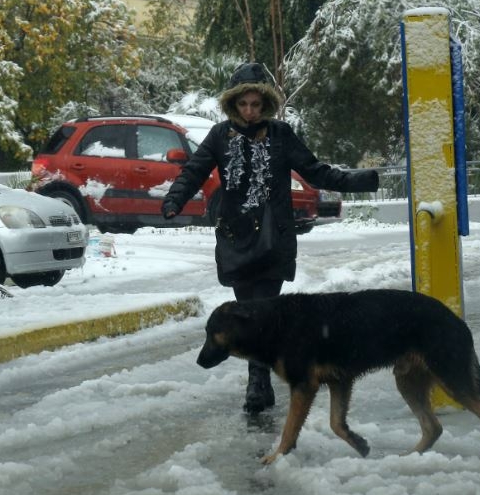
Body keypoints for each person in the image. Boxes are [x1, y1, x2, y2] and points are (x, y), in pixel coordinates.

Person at [161, 62, 379, 414]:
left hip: (273, 240)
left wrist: (361, 181)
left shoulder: (280, 135)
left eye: (255, 104)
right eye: (243, 105)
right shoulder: (219, 136)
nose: (249, 111)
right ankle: (260, 381)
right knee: (247, 311)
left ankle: (257, 384)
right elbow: (194, 170)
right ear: (234, 104)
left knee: (261, 311)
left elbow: (315, 171)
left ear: (265, 104)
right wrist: (174, 200)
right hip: (235, 237)